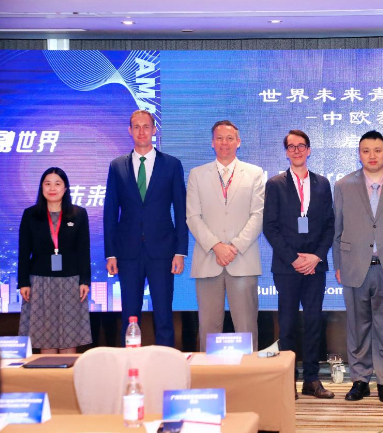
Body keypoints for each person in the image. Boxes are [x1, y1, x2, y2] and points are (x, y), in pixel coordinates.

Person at [333, 130, 383, 403]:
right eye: (366, 150)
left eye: (377, 150)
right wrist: (338, 264)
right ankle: (359, 380)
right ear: (359, 154)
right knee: (357, 327)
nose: (372, 155)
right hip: (354, 265)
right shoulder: (343, 185)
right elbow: (337, 229)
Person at [104, 109, 188, 347]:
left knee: (164, 316)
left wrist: (180, 251)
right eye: (136, 127)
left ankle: (165, 364)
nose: (141, 131)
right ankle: (130, 364)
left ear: (154, 130)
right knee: (129, 316)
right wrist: (111, 253)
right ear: (130, 130)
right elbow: (110, 212)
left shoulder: (171, 165)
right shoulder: (117, 166)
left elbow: (181, 210)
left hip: (163, 251)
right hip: (127, 253)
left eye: (146, 126)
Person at [264, 130, 335, 399]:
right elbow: (270, 227)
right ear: (286, 152)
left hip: (315, 266)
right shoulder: (275, 184)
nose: (296, 150)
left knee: (314, 322)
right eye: (291, 146)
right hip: (287, 267)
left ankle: (312, 380)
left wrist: (316, 256)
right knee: (288, 324)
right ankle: (288, 381)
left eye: (301, 146)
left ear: (309, 150)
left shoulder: (322, 183)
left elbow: (329, 225)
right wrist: (293, 259)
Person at [186, 120, 264, 351]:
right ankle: (210, 374)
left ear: (238, 142)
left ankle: (249, 374)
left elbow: (258, 215)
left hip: (243, 260)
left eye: (230, 138)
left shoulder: (254, 173)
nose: (224, 143)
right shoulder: (197, 174)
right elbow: (192, 216)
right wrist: (216, 246)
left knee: (247, 328)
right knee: (208, 329)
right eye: (219, 138)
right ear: (212, 143)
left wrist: (235, 247)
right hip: (208, 260)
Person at [18, 167, 92, 353]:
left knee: (69, 338)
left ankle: (68, 373)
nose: (52, 188)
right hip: (39, 282)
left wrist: (85, 280)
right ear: (41, 187)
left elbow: (83, 250)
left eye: (57, 184)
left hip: (71, 281)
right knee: (45, 339)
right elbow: (24, 251)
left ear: (65, 188)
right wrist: (23, 282)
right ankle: (48, 373)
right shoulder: (30, 215)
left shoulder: (79, 214)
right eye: (47, 183)